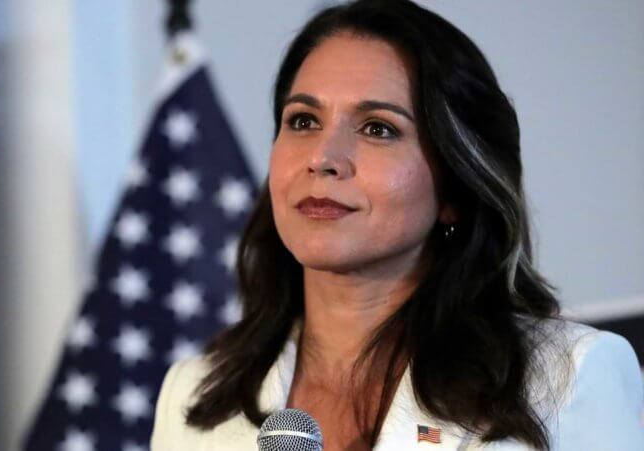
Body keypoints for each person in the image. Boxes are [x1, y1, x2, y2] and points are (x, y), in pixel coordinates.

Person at [150, 0, 644, 449]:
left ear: (454, 190)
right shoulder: (192, 395)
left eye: (378, 128)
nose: (323, 157)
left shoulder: (570, 377)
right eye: (302, 120)